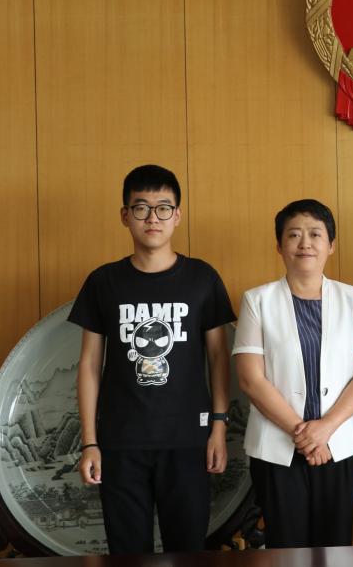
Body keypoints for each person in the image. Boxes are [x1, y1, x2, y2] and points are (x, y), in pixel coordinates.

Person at [71, 164, 235, 554]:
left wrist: (218, 427)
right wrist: (90, 442)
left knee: (188, 549)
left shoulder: (202, 278)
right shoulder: (103, 282)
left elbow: (218, 357)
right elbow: (89, 365)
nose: (152, 218)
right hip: (120, 442)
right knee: (127, 553)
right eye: (141, 208)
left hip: (188, 440)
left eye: (163, 208)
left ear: (177, 215)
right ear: (125, 215)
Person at [233, 199, 353, 548]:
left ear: (331, 245)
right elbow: (251, 379)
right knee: (286, 547)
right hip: (277, 446)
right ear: (279, 245)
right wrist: (304, 435)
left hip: (339, 444)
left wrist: (325, 429)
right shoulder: (257, 301)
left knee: (336, 546)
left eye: (315, 234)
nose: (305, 243)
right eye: (294, 235)